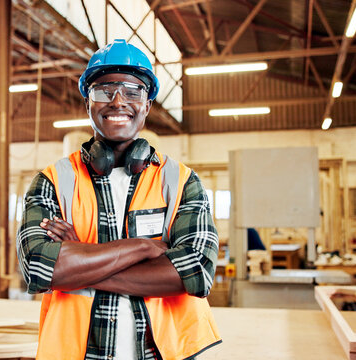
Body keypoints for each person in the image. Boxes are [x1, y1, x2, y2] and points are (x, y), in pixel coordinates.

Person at [16, 39, 221, 360]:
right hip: (76, 353)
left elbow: (195, 273)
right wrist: (142, 248)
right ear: (88, 102)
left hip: (162, 352)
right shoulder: (53, 181)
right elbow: (39, 269)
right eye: (104, 90)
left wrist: (80, 260)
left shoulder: (181, 181)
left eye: (132, 91)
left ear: (147, 104)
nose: (118, 101)